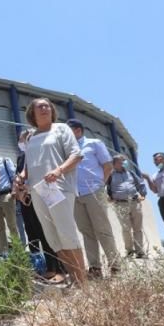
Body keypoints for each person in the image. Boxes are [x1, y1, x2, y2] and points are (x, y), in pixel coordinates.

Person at [14, 99, 86, 285]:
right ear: (32, 113)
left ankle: (83, 283)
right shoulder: (30, 137)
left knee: (66, 233)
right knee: (52, 237)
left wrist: (59, 170)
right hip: (38, 191)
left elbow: (76, 155)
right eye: (40, 106)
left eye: (47, 106)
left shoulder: (61, 129)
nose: (45, 108)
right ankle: (73, 279)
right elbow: (29, 165)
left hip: (58, 187)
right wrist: (21, 177)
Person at [66, 119, 120, 279]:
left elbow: (108, 166)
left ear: (77, 130)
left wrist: (100, 185)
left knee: (103, 230)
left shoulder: (94, 143)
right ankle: (95, 268)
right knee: (86, 232)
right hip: (76, 195)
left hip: (93, 192)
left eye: (68, 131)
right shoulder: (66, 149)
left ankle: (115, 266)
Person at [14, 129, 65, 282]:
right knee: (34, 232)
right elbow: (21, 176)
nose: (24, 142)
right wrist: (20, 190)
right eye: (22, 139)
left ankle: (59, 268)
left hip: (45, 194)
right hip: (27, 198)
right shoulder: (22, 157)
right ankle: (44, 266)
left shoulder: (44, 151)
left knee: (49, 231)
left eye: (28, 138)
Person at [107, 155, 147, 258]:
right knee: (126, 229)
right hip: (120, 204)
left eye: (124, 161)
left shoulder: (131, 173)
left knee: (138, 228)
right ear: (114, 164)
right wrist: (109, 197)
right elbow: (105, 187)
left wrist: (143, 194)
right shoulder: (110, 175)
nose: (124, 163)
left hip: (135, 202)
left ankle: (140, 252)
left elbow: (141, 183)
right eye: (121, 161)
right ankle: (129, 251)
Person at [0, 143, 19, 254]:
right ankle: (4, 252)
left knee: (12, 225)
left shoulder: (5, 160)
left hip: (6, 196)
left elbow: (14, 177)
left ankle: (17, 251)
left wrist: (14, 191)